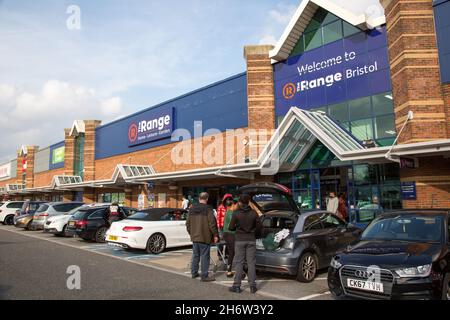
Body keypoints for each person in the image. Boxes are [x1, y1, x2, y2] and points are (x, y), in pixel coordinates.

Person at [228, 193, 261, 294]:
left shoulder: (236, 213)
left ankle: (237, 286)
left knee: (239, 262)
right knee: (251, 263)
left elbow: (231, 227)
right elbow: (259, 227)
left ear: (240, 202)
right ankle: (253, 286)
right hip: (251, 239)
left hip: (240, 239)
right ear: (248, 202)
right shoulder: (254, 213)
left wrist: (238, 227)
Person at [186, 192, 219, 282]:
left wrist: (191, 233)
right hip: (205, 237)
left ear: (199, 198)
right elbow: (212, 224)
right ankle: (204, 276)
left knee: (195, 255)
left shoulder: (192, 209)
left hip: (195, 236)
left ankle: (194, 273)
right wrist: (216, 235)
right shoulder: (208, 209)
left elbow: (187, 224)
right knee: (205, 256)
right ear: (207, 198)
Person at [223, 198, 238, 278]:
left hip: (226, 234)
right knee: (235, 252)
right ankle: (237, 271)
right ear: (233, 205)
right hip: (230, 234)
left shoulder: (228, 212)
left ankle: (228, 270)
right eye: (237, 205)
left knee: (231, 252)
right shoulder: (232, 213)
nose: (237, 207)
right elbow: (232, 226)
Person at [216, 194, 233, 261]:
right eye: (227, 199)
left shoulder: (231, 207)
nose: (228, 201)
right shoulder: (220, 207)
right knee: (221, 241)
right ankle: (219, 254)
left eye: (229, 199)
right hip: (222, 227)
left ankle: (227, 254)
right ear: (225, 200)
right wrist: (220, 227)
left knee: (228, 241)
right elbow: (218, 217)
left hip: (229, 227)